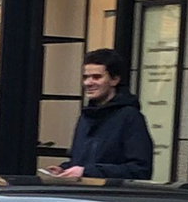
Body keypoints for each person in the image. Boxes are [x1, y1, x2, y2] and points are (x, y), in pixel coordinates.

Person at [52, 49, 152, 181]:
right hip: (83, 196)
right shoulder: (86, 116)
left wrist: (87, 172)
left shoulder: (130, 117)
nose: (88, 82)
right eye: (86, 77)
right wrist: (64, 169)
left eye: (96, 77)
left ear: (114, 80)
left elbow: (140, 170)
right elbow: (83, 162)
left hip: (110, 198)